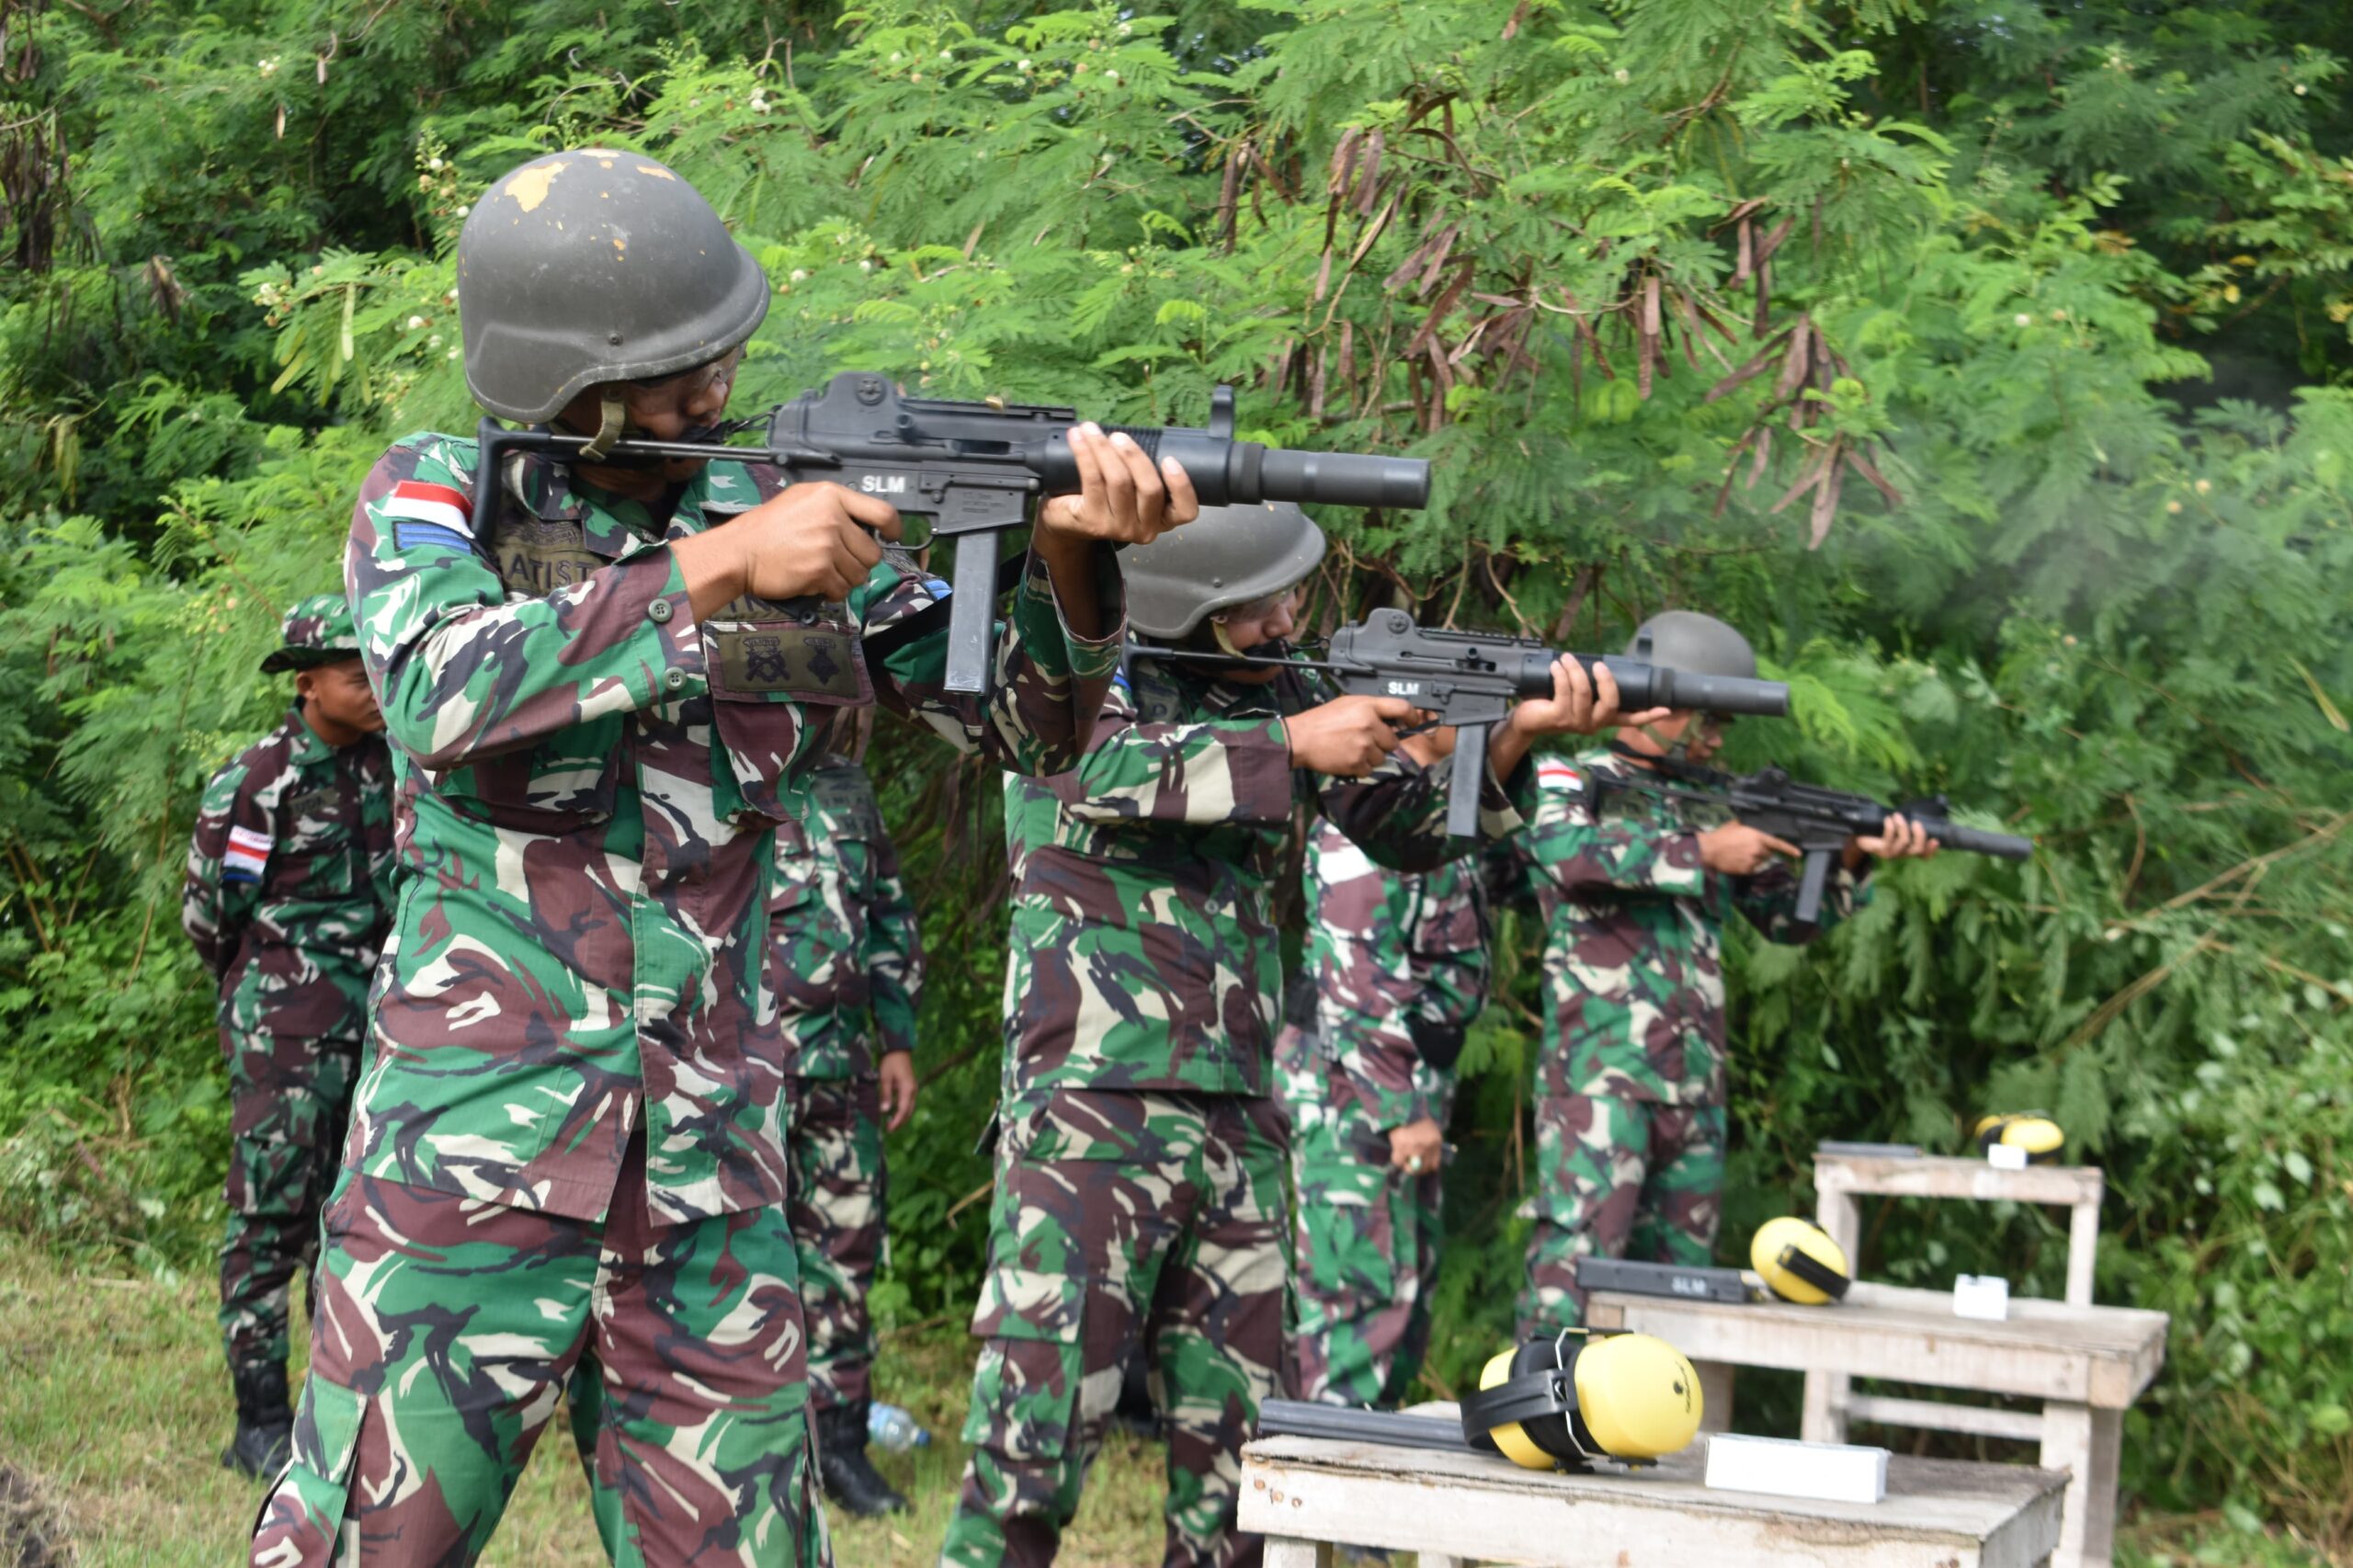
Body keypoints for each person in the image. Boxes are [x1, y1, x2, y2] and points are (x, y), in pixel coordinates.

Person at [248, 148, 1188, 1567]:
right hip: (468, 1169)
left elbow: (1031, 728)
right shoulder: (437, 494)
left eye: (722, 346)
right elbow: (444, 692)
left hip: (706, 1189)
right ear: (571, 385)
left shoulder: (780, 501)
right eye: (683, 363)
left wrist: (1074, 567)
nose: (721, 378)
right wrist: (722, 566)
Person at [938, 502, 1653, 1568]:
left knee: (1243, 1465)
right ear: (1184, 609)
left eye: (1288, 596)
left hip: (1240, 1112)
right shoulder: (1078, 684)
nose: (1285, 619)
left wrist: (1510, 733)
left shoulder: (1276, 691)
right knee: (1030, 1447)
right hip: (1090, 1115)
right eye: (1254, 606)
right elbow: (1096, 773)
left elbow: (1403, 833)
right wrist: (1288, 741)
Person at [1500, 610, 1938, 1335]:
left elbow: (1787, 921)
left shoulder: (1715, 798)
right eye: (1704, 722)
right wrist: (1703, 851)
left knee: (1678, 1297)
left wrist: (1855, 857)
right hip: (1600, 1079)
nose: (1713, 740)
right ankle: (1539, 1416)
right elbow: (1565, 855)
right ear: (1654, 705)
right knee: (1570, 1279)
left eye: (1721, 727)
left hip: (1695, 1083)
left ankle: (1648, 1435)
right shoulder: (1570, 772)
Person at [182, 593, 395, 1480]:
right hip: (285, 1037)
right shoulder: (257, 782)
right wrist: (269, 1000)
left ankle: (336, 1410)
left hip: (384, 1029)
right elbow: (212, 918)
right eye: (357, 676)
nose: (375, 689)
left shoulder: (399, 767)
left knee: (358, 1222)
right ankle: (259, 1421)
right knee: (270, 1219)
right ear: (308, 686)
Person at [1277, 790, 1490, 1412]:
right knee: (1354, 1307)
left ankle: (1346, 1484)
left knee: (1399, 1307)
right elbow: (1355, 978)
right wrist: (1401, 1111)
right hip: (1355, 1089)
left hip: (1393, 1080)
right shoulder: (1368, 815)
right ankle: (1310, 1493)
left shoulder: (1434, 808)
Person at [775, 748, 925, 1516]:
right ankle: (755, 1449)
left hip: (843, 1061)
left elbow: (889, 911)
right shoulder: (705, 760)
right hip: (742, 1068)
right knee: (736, 1264)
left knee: (844, 1253)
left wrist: (896, 1037)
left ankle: (836, 1446)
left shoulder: (847, 783)